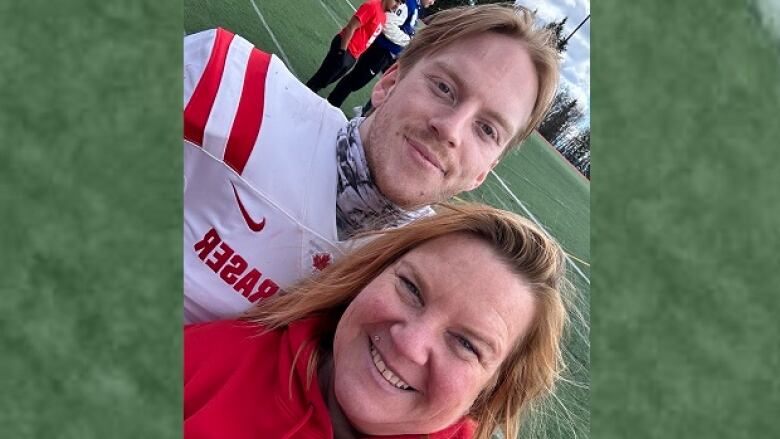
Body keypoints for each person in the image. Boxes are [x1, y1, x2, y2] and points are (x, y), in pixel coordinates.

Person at [182, 4, 560, 322]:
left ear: (484, 172)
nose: (451, 130)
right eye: (444, 88)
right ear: (388, 83)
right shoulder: (226, 89)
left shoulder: (430, 270)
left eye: (488, 129)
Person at [184, 203, 569, 439]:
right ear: (374, 273)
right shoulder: (213, 358)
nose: (409, 343)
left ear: (490, 393)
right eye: (412, 289)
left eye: (467, 344)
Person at [327, 0, 436, 108]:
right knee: (356, 79)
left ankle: (334, 102)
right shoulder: (409, 4)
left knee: (363, 81)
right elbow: (388, 23)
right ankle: (332, 102)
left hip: (388, 52)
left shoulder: (415, 6)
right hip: (381, 49)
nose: (432, 2)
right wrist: (408, 41)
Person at [306, 0, 403, 93]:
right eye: (396, 0)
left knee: (324, 82)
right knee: (319, 80)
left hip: (352, 56)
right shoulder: (372, 7)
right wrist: (341, 52)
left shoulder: (384, 17)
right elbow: (351, 27)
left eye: (400, 3)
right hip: (345, 48)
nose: (397, 5)